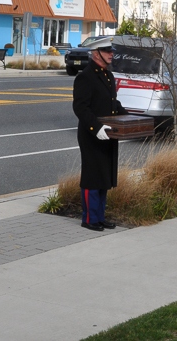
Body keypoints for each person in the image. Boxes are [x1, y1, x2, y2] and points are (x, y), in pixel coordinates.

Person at [73, 37, 127, 231]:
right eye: (107, 51)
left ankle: (99, 217)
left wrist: (129, 117)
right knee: (92, 177)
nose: (111, 54)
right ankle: (89, 218)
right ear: (96, 54)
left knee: (104, 177)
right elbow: (80, 108)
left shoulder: (107, 75)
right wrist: (96, 128)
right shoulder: (86, 77)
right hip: (92, 134)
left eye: (111, 51)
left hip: (108, 133)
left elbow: (113, 104)